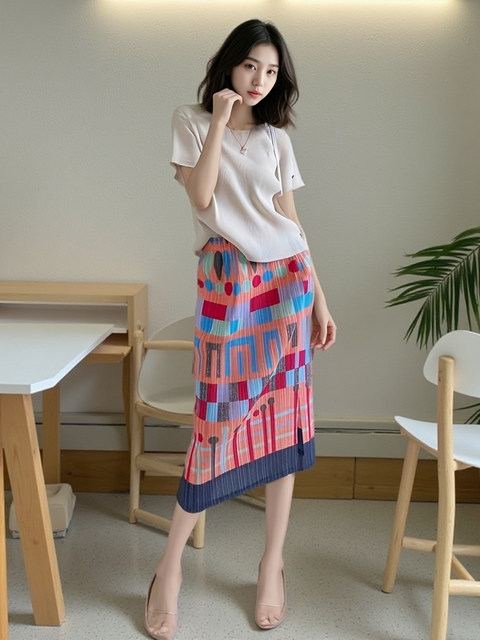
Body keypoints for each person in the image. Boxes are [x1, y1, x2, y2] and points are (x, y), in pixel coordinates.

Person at [144, 18, 336, 640]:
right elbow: (202, 198)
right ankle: (169, 569)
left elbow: (291, 222)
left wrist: (320, 301)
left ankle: (271, 564)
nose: (260, 80)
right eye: (251, 65)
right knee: (215, 423)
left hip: (288, 284)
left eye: (272, 71)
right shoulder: (192, 120)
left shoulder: (277, 139)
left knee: (285, 420)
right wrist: (222, 119)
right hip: (228, 282)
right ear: (229, 63)